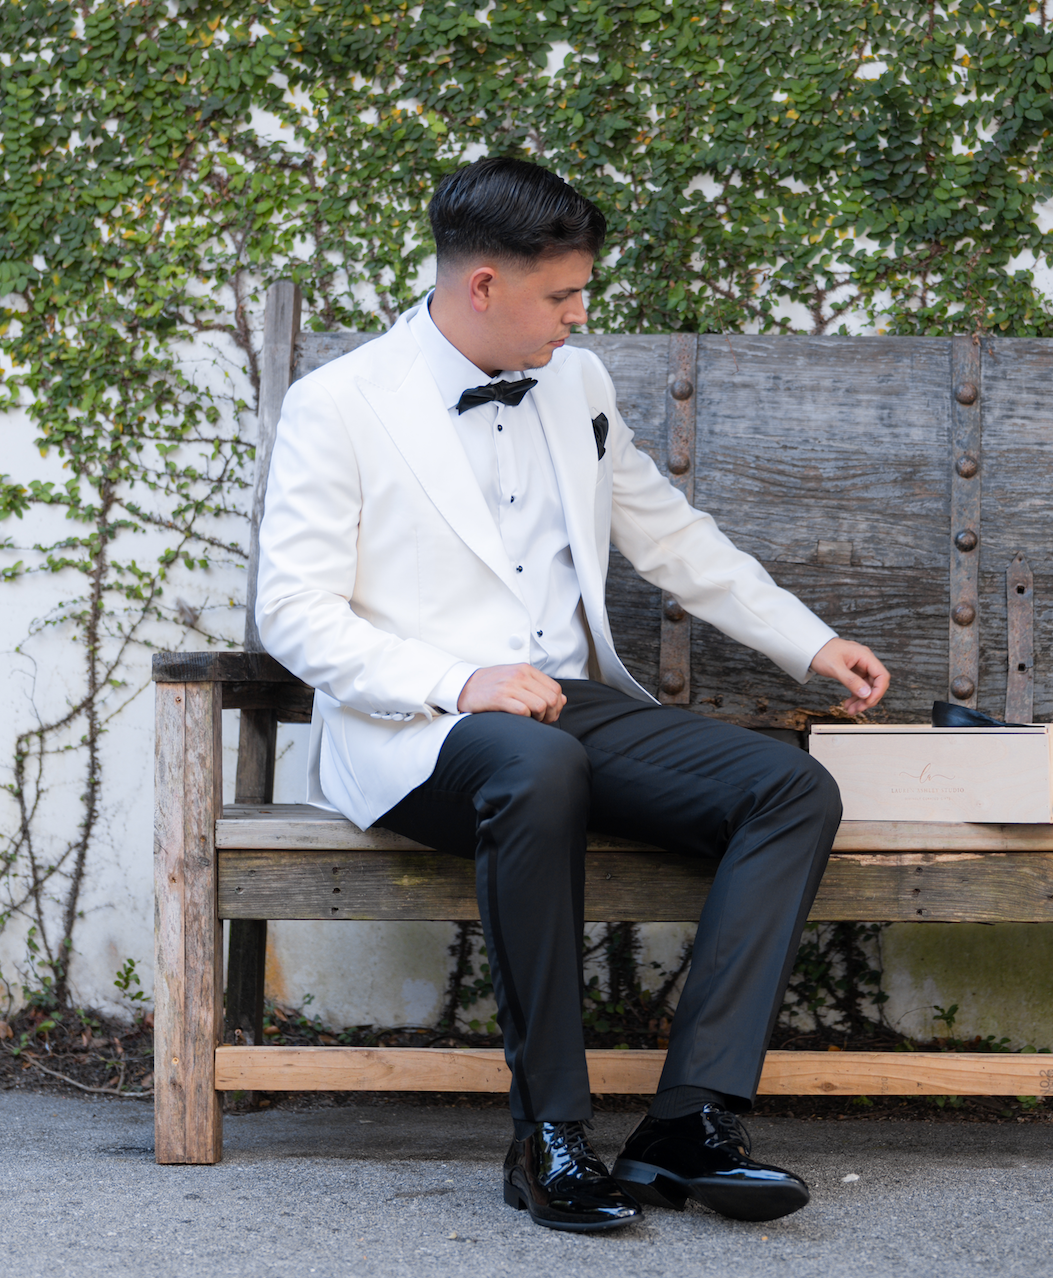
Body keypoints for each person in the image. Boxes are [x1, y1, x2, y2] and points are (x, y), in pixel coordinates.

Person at [255, 156, 890, 1234]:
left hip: (564, 702)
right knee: (535, 762)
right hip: (420, 726)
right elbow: (292, 611)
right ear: (484, 285)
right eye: (561, 294)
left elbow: (666, 531)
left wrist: (808, 638)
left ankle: (685, 1122)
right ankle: (546, 1133)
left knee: (787, 789)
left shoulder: (579, 382)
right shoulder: (340, 405)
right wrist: (456, 678)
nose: (579, 314)